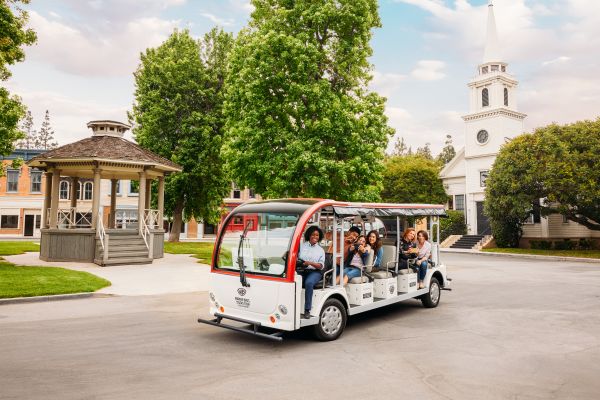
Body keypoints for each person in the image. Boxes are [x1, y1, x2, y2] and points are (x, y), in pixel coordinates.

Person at [298, 225, 325, 319]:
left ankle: (307, 310)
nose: (315, 237)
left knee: (309, 283)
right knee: (291, 280)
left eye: (317, 235)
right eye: (313, 234)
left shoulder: (320, 250)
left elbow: (320, 266)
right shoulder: (302, 246)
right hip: (302, 270)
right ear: (309, 235)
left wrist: (309, 263)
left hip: (315, 272)